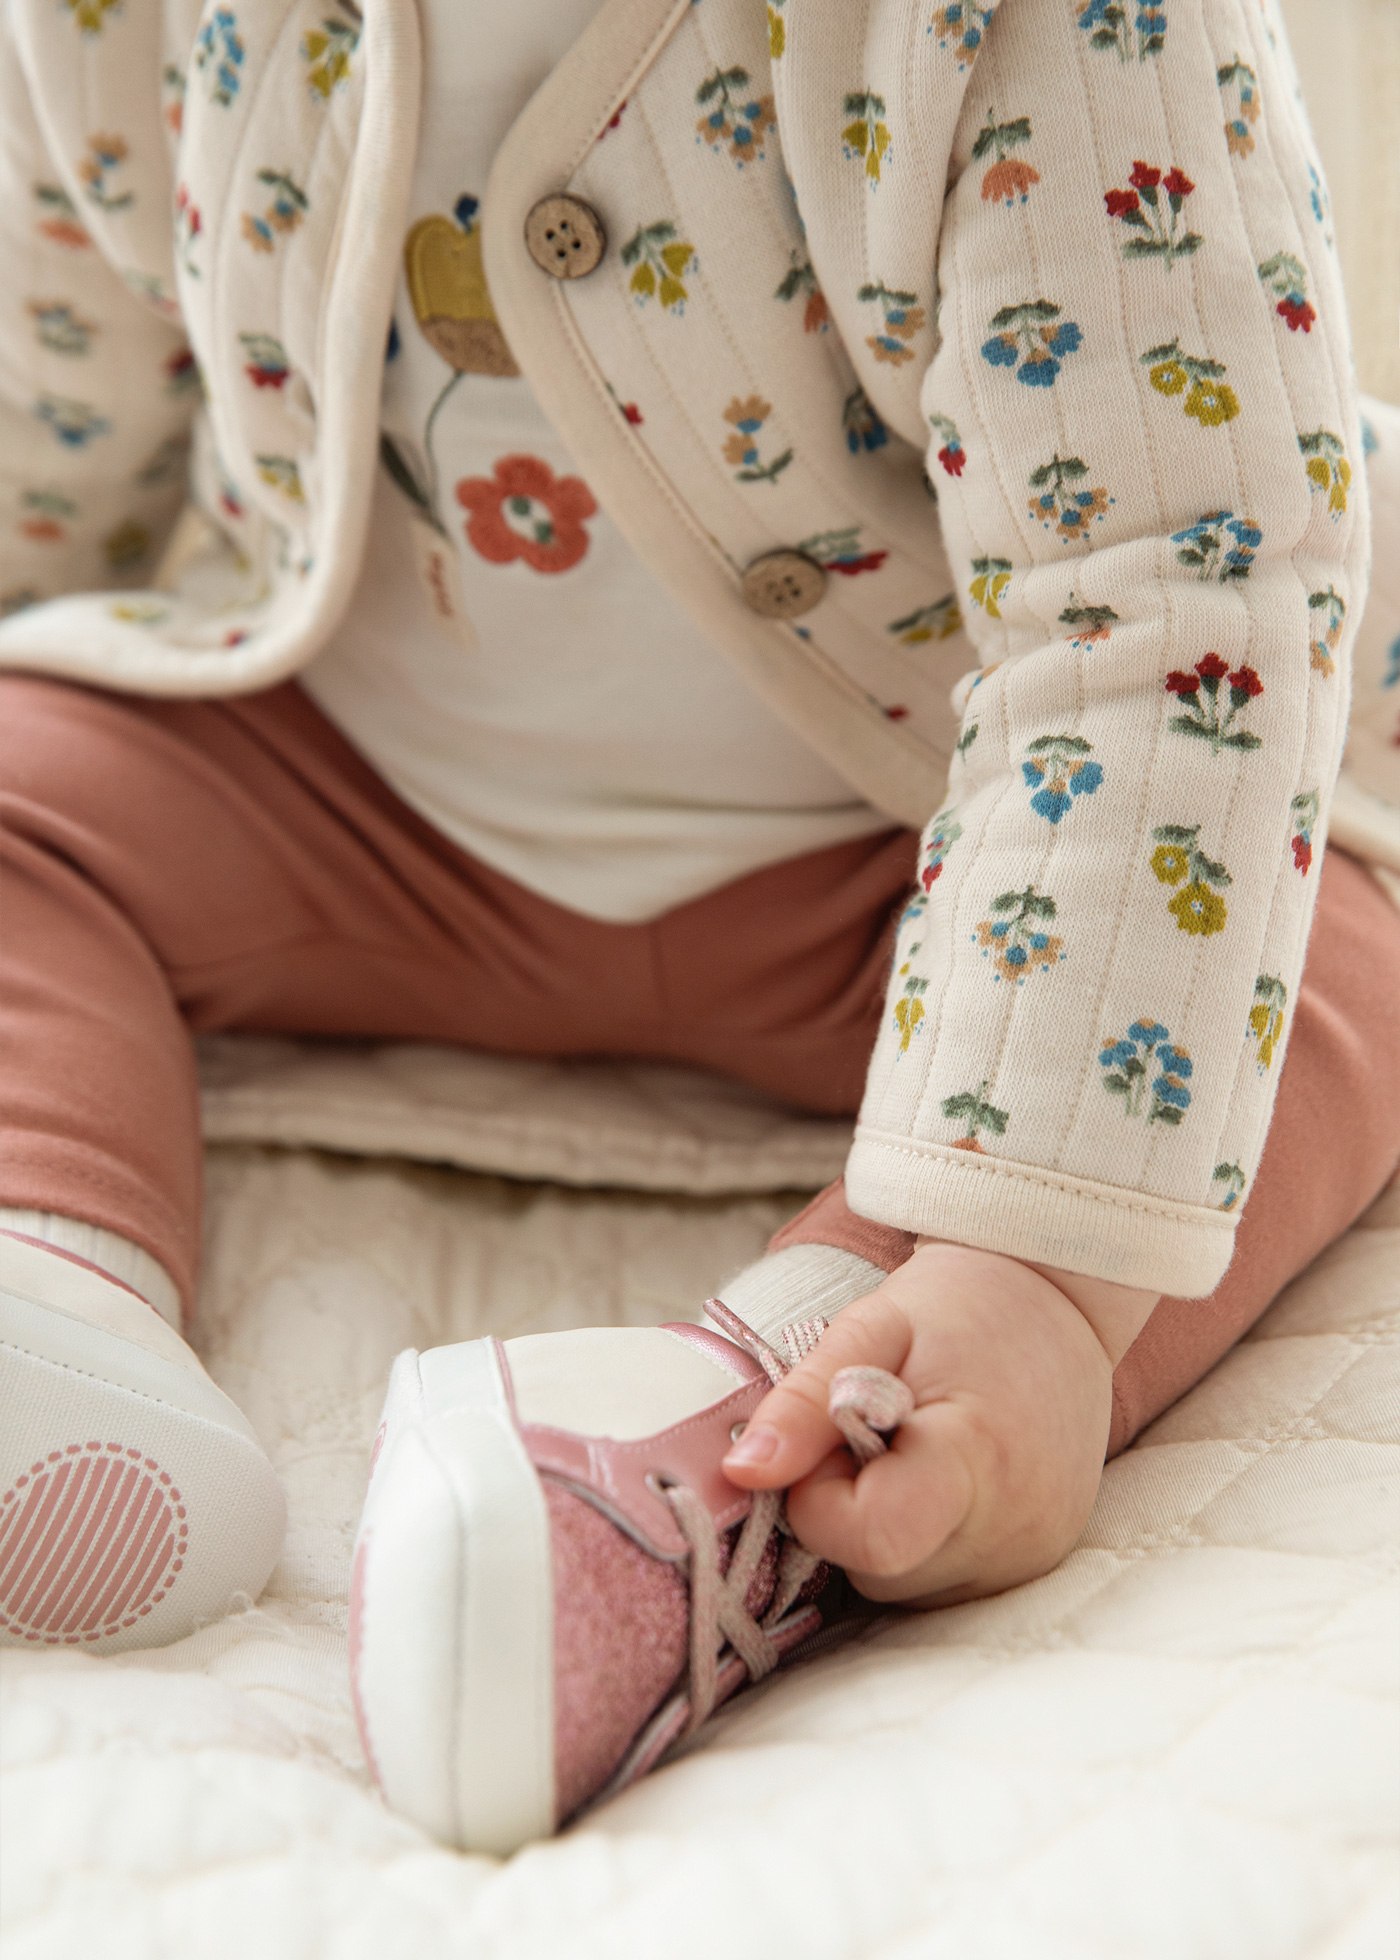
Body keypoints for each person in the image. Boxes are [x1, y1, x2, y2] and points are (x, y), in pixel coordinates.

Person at [2, 0, 1397, 1853]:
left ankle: (755, 1428)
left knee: (1261, 957)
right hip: (350, 791)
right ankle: (47, 1283)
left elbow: (1172, 589)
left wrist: (1029, 1252)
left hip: (929, 855)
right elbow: (55, 383)